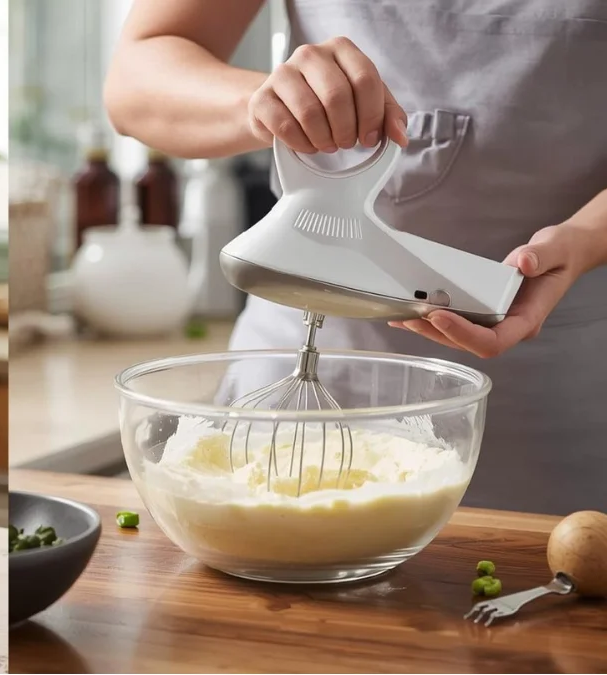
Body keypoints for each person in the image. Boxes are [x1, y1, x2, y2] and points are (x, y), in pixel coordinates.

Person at [104, 0, 607, 516]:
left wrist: (586, 237)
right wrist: (270, 104)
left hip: (551, 404)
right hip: (283, 382)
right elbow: (134, 82)